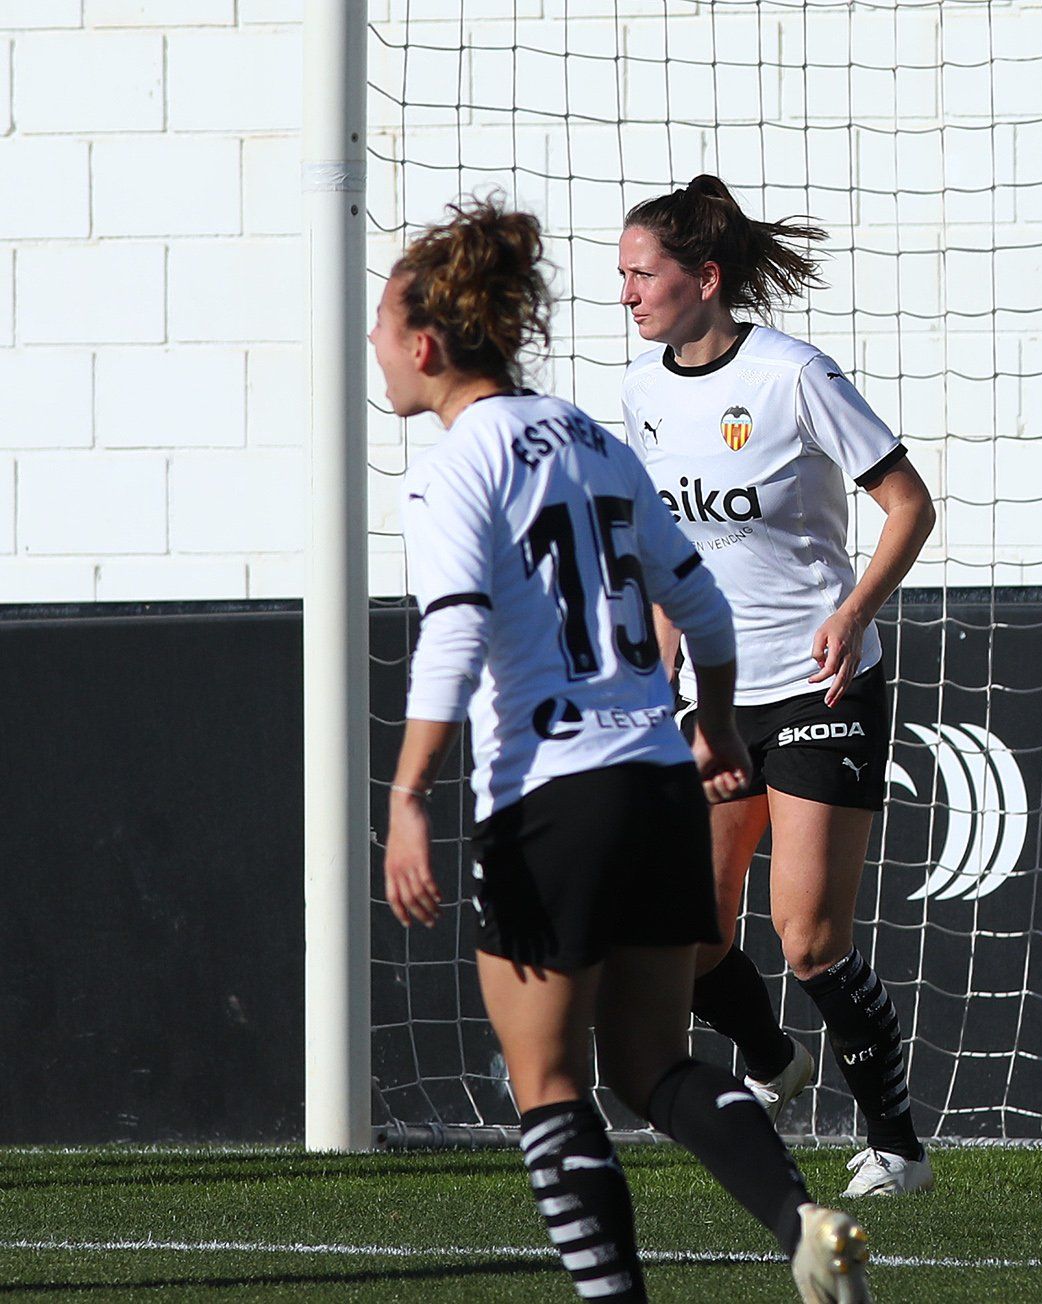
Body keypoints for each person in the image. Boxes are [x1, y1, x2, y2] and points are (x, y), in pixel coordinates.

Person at [377, 196, 872, 1302]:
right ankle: (800, 1213)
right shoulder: (594, 438)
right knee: (653, 1061)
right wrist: (722, 718)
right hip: (657, 784)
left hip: (551, 798)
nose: (378, 350)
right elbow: (699, 598)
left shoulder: (456, 465)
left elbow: (456, 629)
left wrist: (409, 792)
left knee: (548, 1086)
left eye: (381, 327)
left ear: (423, 343)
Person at [615, 176, 939, 1198]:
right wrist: (657, 659)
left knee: (808, 939)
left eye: (643, 273)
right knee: (693, 935)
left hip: (819, 687)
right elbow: (668, 550)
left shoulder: (796, 375)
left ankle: (898, 1145)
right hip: (714, 696)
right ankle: (773, 1063)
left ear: (704, 279)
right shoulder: (643, 391)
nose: (628, 292)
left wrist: (853, 613)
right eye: (622, 275)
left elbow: (908, 505)